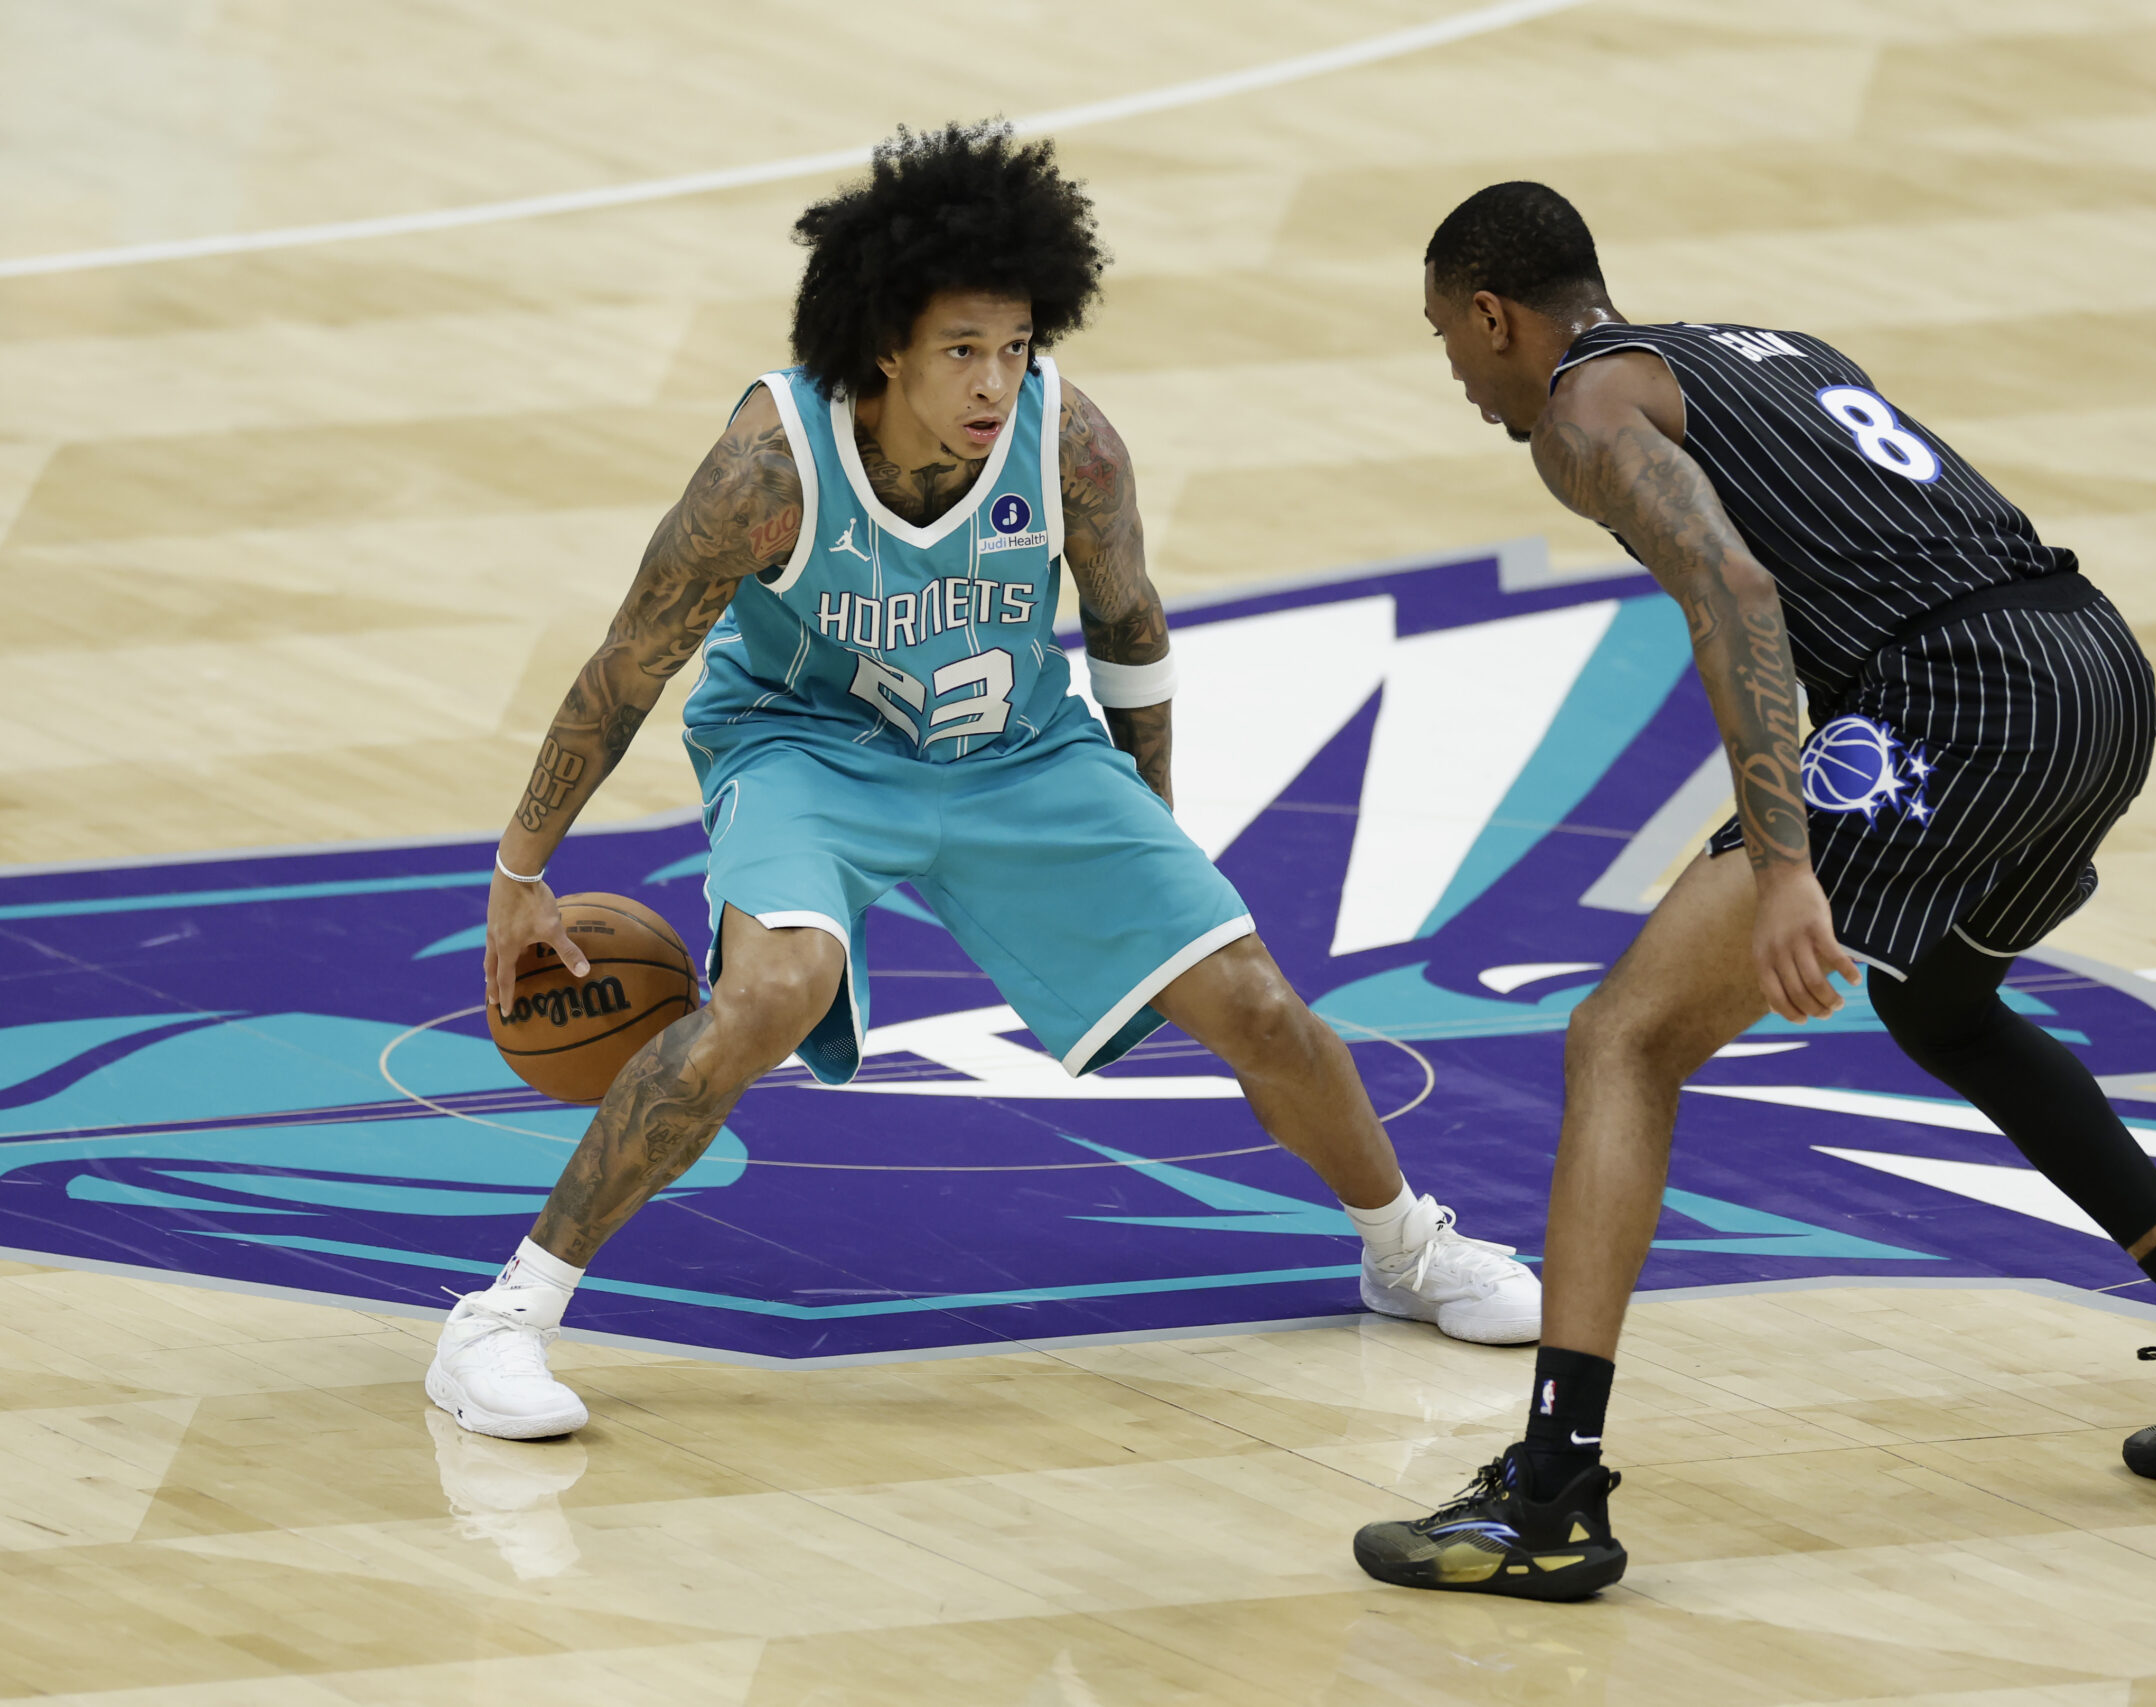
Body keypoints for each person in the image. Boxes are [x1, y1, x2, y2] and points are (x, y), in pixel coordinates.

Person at [426, 125, 1539, 1441]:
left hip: (1017, 750)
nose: (996, 380)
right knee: (768, 993)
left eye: (1016, 346)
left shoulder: (1074, 450)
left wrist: (1150, 835)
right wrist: (520, 870)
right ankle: (500, 1319)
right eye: (963, 349)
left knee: (1260, 1007)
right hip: (807, 748)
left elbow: (1129, 634)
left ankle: (1404, 1253)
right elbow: (633, 661)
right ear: (883, 344)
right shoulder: (768, 471)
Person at [1352, 182, 2156, 1601]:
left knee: (1624, 1040)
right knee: (1946, 1008)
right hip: (2098, 668)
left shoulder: (1582, 415)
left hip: (1957, 703)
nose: (1455, 371)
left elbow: (1738, 597)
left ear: (1495, 313)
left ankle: (1554, 1493)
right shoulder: (1772, 348)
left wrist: (1786, 865)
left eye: (1447, 333)